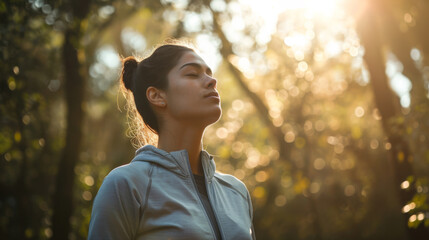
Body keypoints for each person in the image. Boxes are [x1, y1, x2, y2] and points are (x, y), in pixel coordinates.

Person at [88, 42, 255, 240]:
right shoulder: (127, 185)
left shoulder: (236, 191)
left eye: (209, 73)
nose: (212, 81)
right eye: (193, 74)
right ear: (157, 96)